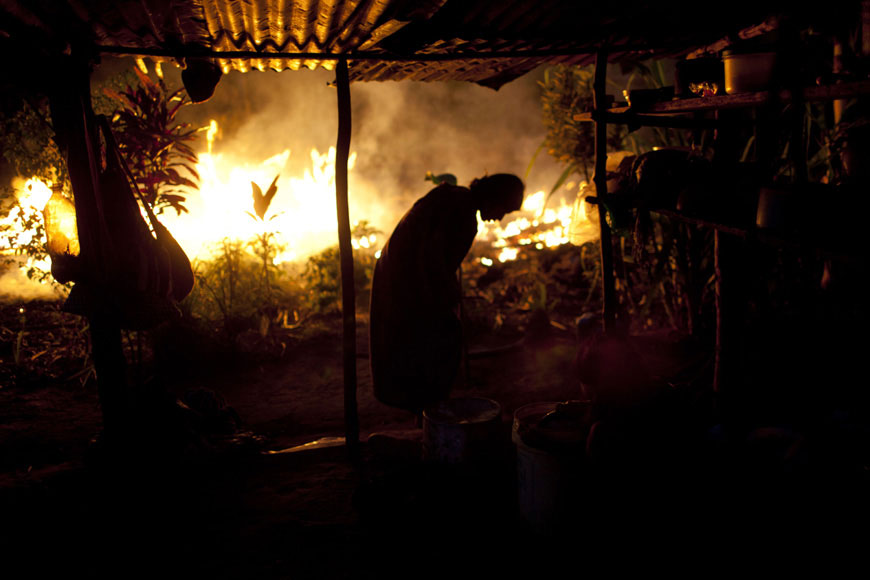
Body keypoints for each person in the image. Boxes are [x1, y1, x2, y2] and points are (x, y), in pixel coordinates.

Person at [369, 173, 525, 414]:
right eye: (503, 209)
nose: (500, 218)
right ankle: (431, 409)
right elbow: (433, 257)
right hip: (408, 279)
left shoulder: (455, 198)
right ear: (493, 197)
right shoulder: (461, 211)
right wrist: (448, 295)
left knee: (418, 342)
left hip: (399, 275)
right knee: (438, 340)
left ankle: (424, 407)